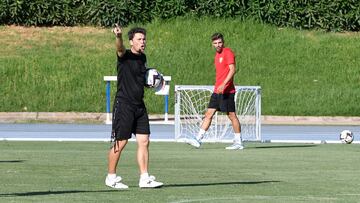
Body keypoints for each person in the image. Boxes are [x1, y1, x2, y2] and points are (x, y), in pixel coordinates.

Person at [105, 24, 163, 189]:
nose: (143, 42)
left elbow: (140, 78)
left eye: (144, 39)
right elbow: (119, 48)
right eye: (139, 39)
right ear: (131, 42)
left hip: (139, 106)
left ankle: (144, 178)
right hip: (124, 105)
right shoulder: (125, 55)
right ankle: (111, 177)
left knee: (144, 141)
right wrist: (118, 36)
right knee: (121, 142)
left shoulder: (142, 58)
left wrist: (152, 81)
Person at [188, 33, 244, 150]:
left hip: (227, 91)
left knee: (232, 116)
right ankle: (198, 139)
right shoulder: (216, 56)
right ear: (212, 44)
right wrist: (219, 86)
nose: (217, 45)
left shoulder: (228, 52)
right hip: (217, 91)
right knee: (208, 114)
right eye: (215, 43)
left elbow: (232, 70)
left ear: (223, 42)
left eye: (219, 42)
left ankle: (238, 142)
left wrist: (224, 84)